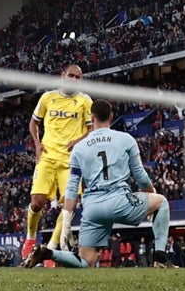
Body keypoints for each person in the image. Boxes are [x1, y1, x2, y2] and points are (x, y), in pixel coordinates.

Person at [23, 98, 176, 269]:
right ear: (111, 116)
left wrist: (66, 222)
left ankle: (48, 253)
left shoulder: (79, 149)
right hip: (120, 202)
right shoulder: (126, 139)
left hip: (93, 208)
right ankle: (161, 258)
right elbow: (140, 175)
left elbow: (72, 188)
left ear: (91, 116)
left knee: (85, 261)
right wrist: (150, 195)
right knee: (161, 202)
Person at [21, 64, 93, 260]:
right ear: (63, 76)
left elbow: (91, 128)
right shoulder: (47, 97)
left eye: (78, 77)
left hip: (70, 161)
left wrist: (77, 141)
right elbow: (34, 122)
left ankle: (50, 250)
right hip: (47, 156)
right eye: (71, 75)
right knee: (37, 201)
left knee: (68, 206)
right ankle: (30, 237)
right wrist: (37, 144)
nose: (74, 79)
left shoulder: (85, 101)